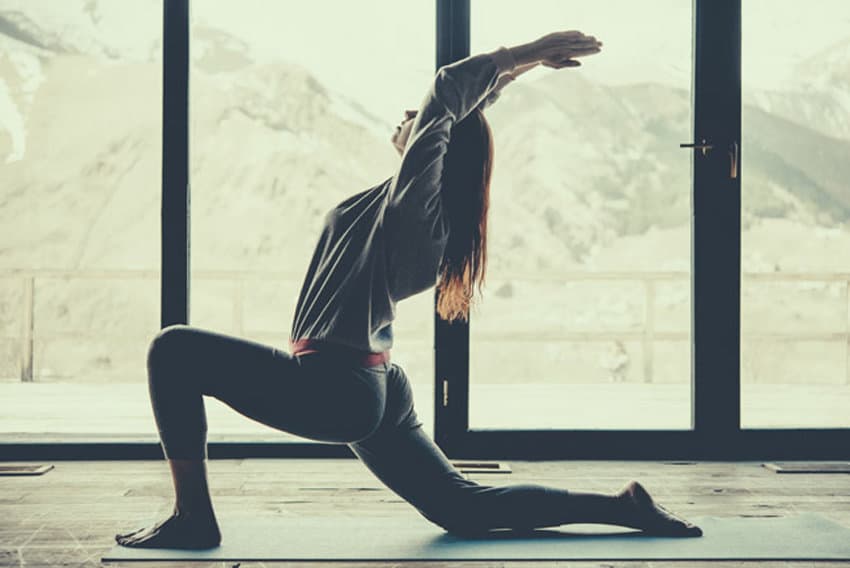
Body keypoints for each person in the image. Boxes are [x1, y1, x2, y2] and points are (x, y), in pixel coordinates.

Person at [116, 30, 702, 549]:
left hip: (335, 385)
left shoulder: (416, 212)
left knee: (173, 349)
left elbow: (447, 94)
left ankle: (193, 517)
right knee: (462, 508)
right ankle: (622, 508)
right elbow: (460, 110)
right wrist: (519, 72)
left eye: (420, 125)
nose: (408, 117)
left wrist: (523, 51)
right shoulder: (414, 204)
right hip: (371, 383)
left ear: (439, 151)